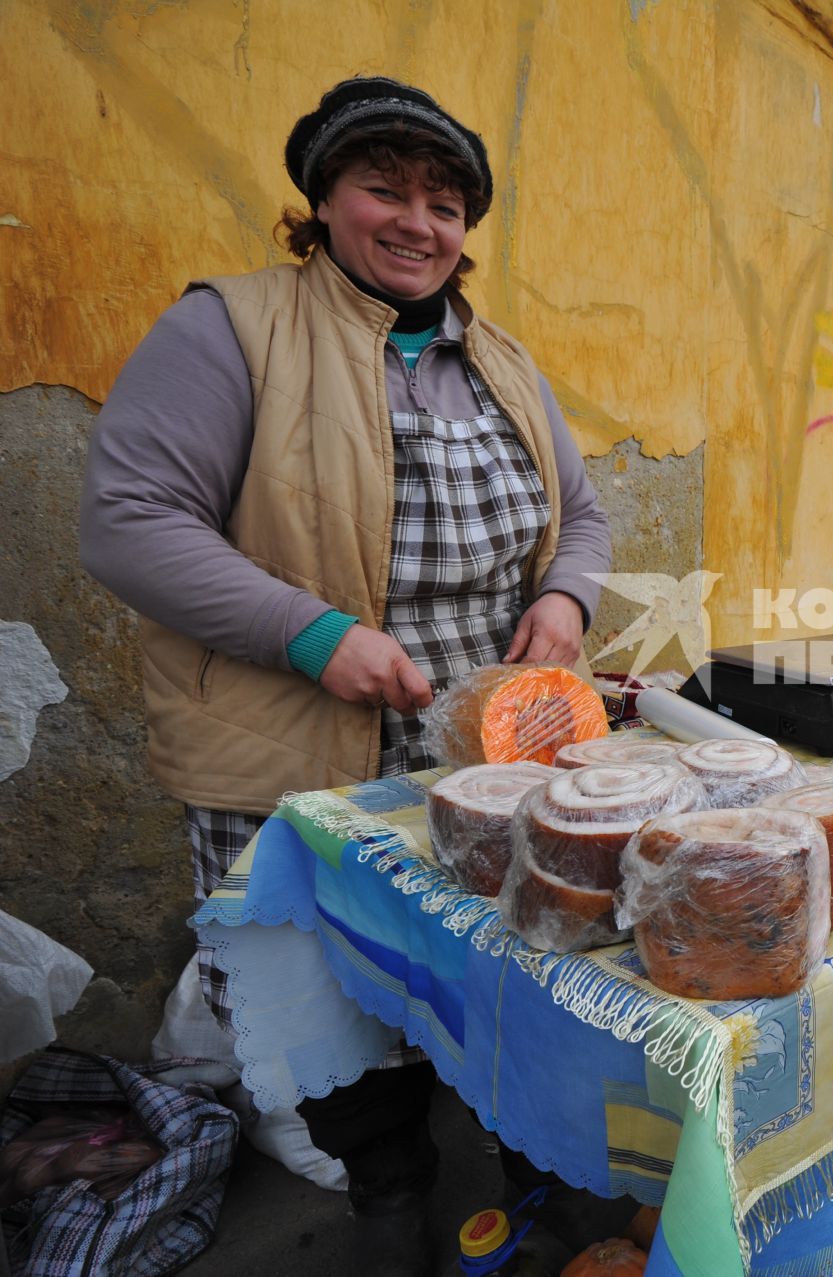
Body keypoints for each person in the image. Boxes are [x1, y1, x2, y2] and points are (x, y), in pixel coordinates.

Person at [80, 78, 614, 1274]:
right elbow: (129, 520)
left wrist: (565, 597)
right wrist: (317, 635)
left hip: (477, 747)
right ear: (323, 199)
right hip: (294, 739)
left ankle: (531, 1161)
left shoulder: (503, 360)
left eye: (446, 200)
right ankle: (386, 1197)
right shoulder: (231, 326)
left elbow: (581, 515)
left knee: (491, 960)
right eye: (386, 187)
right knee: (326, 989)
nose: (418, 221)